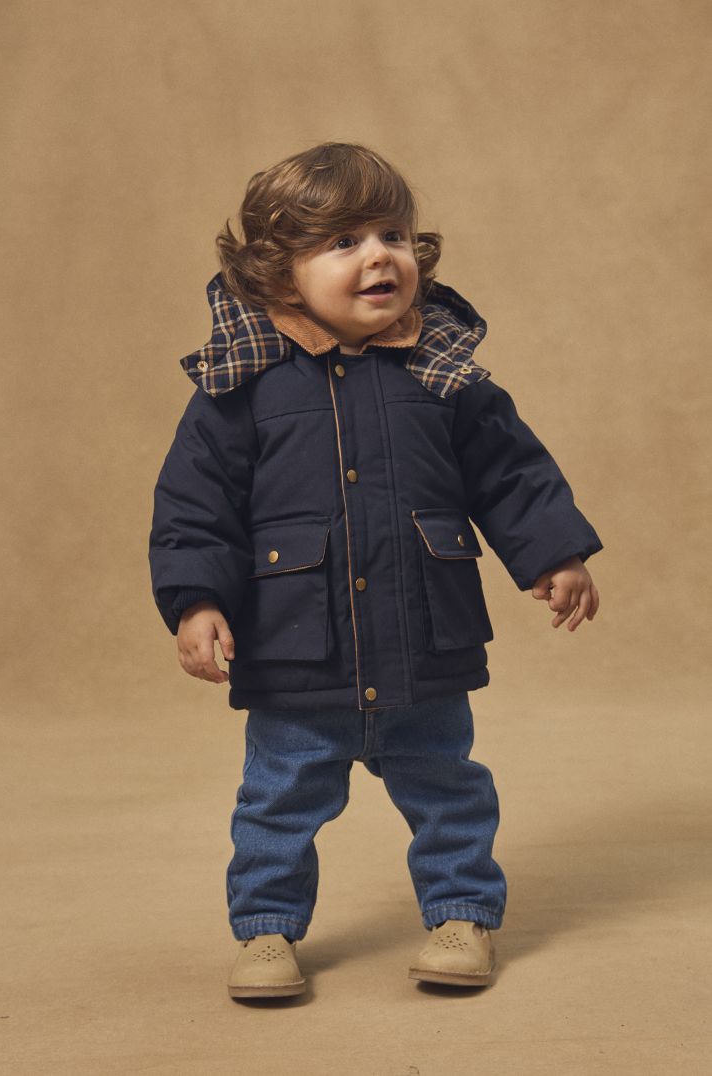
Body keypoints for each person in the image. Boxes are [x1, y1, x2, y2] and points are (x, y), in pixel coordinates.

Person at [148, 141, 603, 1000]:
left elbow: (511, 471)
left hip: (421, 643)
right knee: (276, 804)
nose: (378, 256)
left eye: (391, 234)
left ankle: (460, 914)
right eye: (342, 242)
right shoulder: (241, 387)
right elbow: (193, 508)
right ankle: (266, 930)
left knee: (451, 791)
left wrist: (554, 550)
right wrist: (196, 600)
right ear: (280, 275)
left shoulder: (443, 374)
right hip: (297, 652)